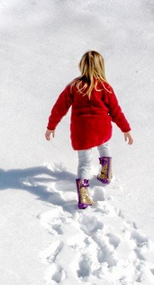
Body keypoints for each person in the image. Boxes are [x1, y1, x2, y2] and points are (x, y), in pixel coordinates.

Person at [45, 50, 133, 210]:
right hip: (102, 129)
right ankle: (106, 173)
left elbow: (59, 108)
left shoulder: (74, 86)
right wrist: (125, 129)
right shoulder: (105, 87)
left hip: (82, 132)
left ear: (82, 66)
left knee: (85, 163)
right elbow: (115, 111)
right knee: (104, 144)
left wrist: (51, 126)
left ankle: (84, 193)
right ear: (101, 67)